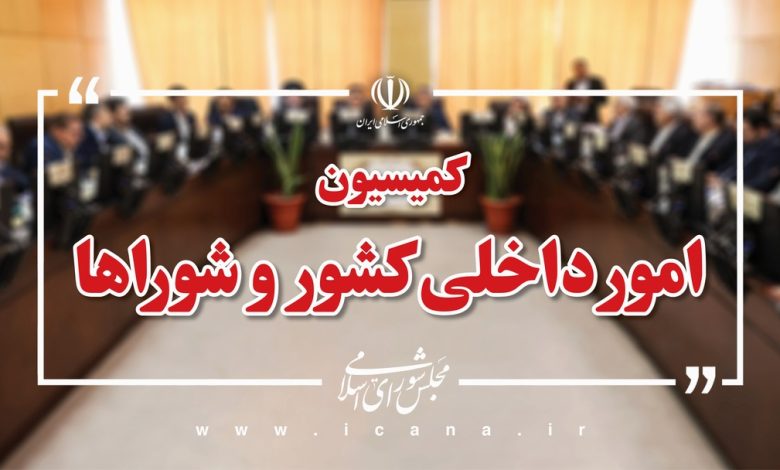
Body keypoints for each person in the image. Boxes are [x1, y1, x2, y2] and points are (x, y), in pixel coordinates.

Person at [720, 107, 780, 192]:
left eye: (744, 131)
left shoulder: (775, 149)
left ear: (762, 129)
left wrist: (728, 186)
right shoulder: (751, 143)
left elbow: (763, 181)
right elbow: (731, 166)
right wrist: (719, 178)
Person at [686, 100, 736, 173]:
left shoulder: (726, 141)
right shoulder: (695, 136)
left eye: (697, 115)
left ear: (710, 118)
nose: (693, 119)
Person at [648, 98, 698, 163]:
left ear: (670, 113)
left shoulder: (683, 133)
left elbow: (674, 158)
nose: (655, 115)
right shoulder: (660, 127)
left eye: (659, 112)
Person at [330, 83, 374, 148]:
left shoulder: (367, 113)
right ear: (347, 98)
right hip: (343, 146)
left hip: (362, 146)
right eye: (353, 98)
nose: (355, 102)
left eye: (358, 99)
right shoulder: (337, 113)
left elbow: (371, 134)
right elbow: (335, 134)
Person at [565, 58, 607, 123]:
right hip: (574, 117)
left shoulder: (596, 83)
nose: (580, 72)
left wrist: (589, 100)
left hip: (591, 117)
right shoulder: (571, 84)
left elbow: (603, 99)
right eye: (577, 70)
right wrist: (575, 100)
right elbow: (566, 100)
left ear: (586, 69)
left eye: (581, 69)